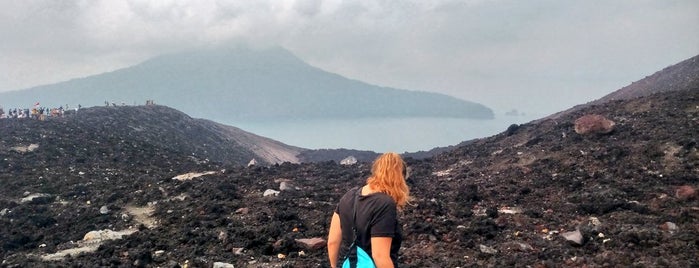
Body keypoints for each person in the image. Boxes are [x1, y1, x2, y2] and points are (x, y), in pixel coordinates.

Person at [327, 152, 410, 268]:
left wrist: (333, 265)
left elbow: (332, 242)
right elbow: (380, 256)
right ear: (399, 178)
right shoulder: (385, 204)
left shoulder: (348, 196)